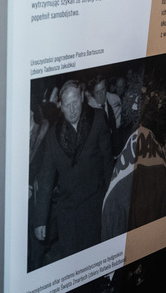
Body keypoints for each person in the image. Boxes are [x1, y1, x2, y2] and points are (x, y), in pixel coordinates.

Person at [33, 80, 113, 264]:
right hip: (68, 213)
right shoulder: (53, 136)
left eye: (75, 102)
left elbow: (108, 163)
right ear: (60, 106)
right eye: (67, 105)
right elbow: (46, 179)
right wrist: (40, 220)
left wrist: (109, 200)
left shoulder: (97, 119)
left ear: (82, 98)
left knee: (95, 263)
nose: (72, 109)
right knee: (72, 265)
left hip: (95, 206)